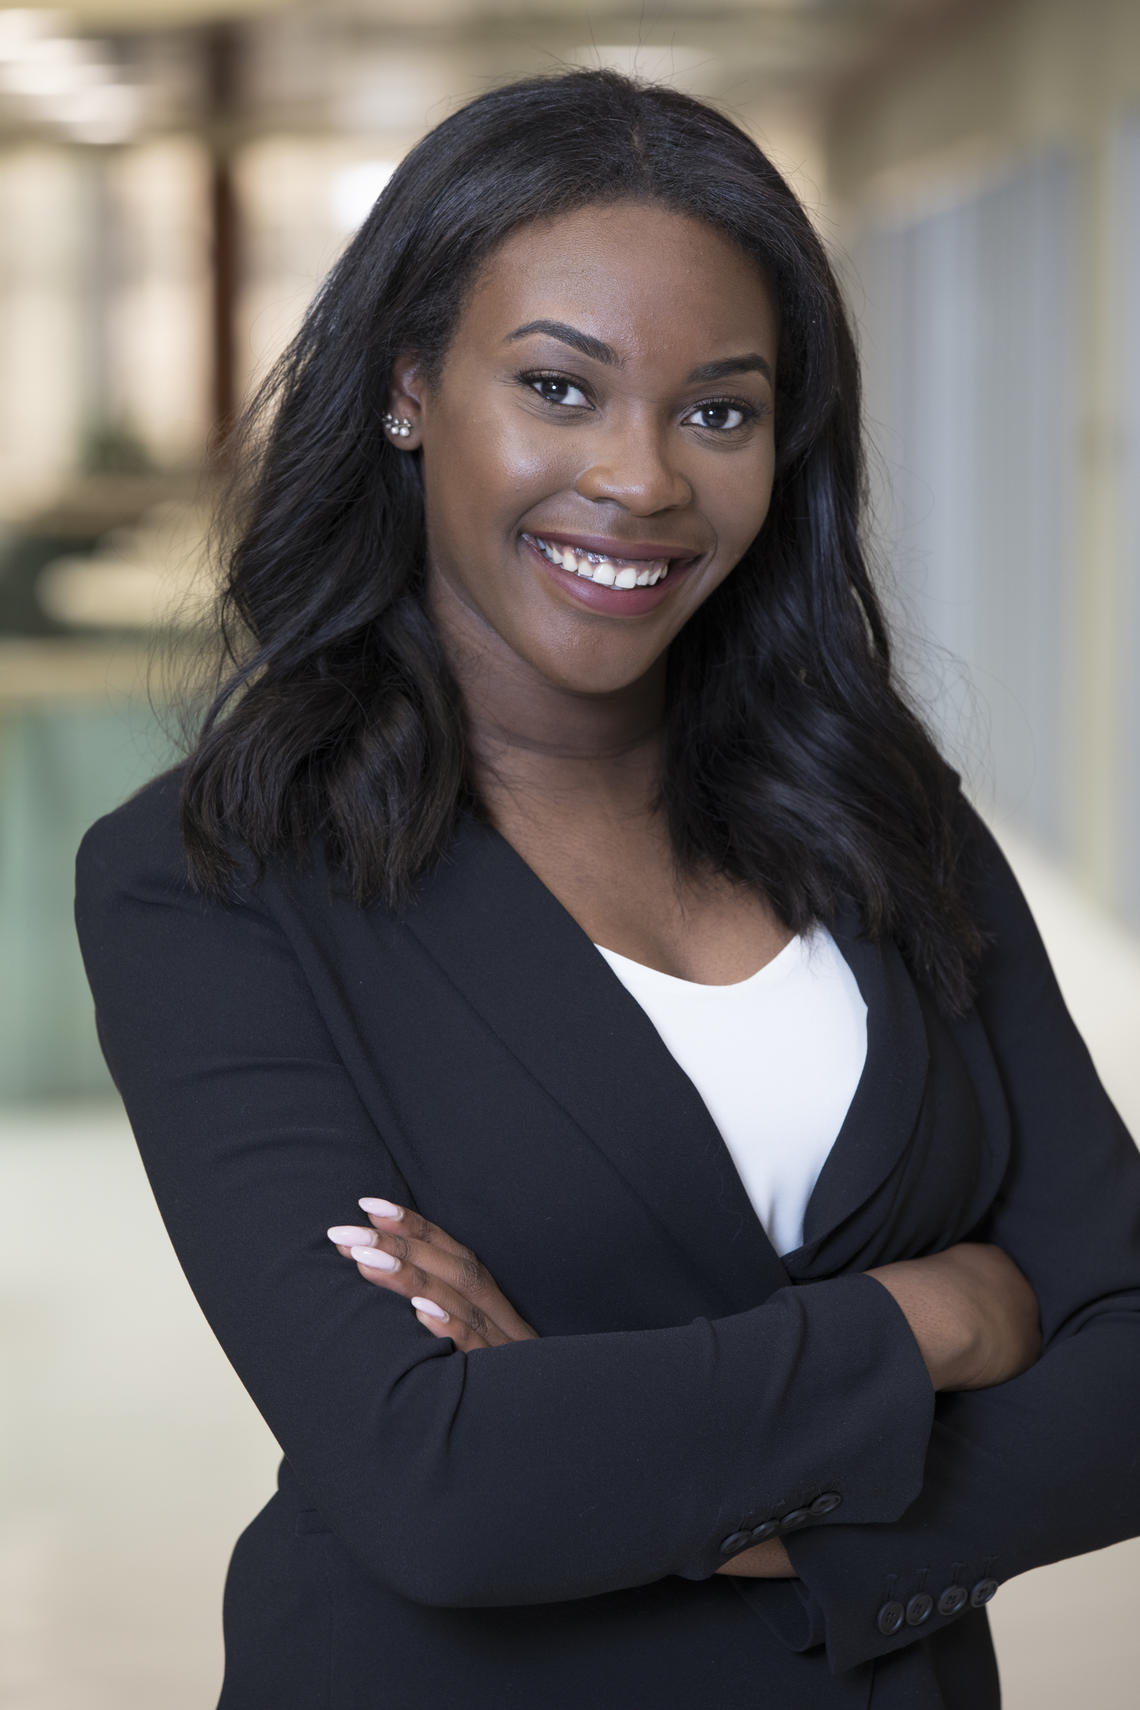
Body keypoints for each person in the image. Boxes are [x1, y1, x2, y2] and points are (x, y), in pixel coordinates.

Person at [74, 69, 1140, 1710]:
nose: (641, 478)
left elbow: (1129, 1363)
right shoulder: (211, 873)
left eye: (719, 409)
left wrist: (735, 1515)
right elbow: (438, 1481)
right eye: (560, 389)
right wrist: (939, 1315)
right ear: (411, 385)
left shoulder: (882, 810)